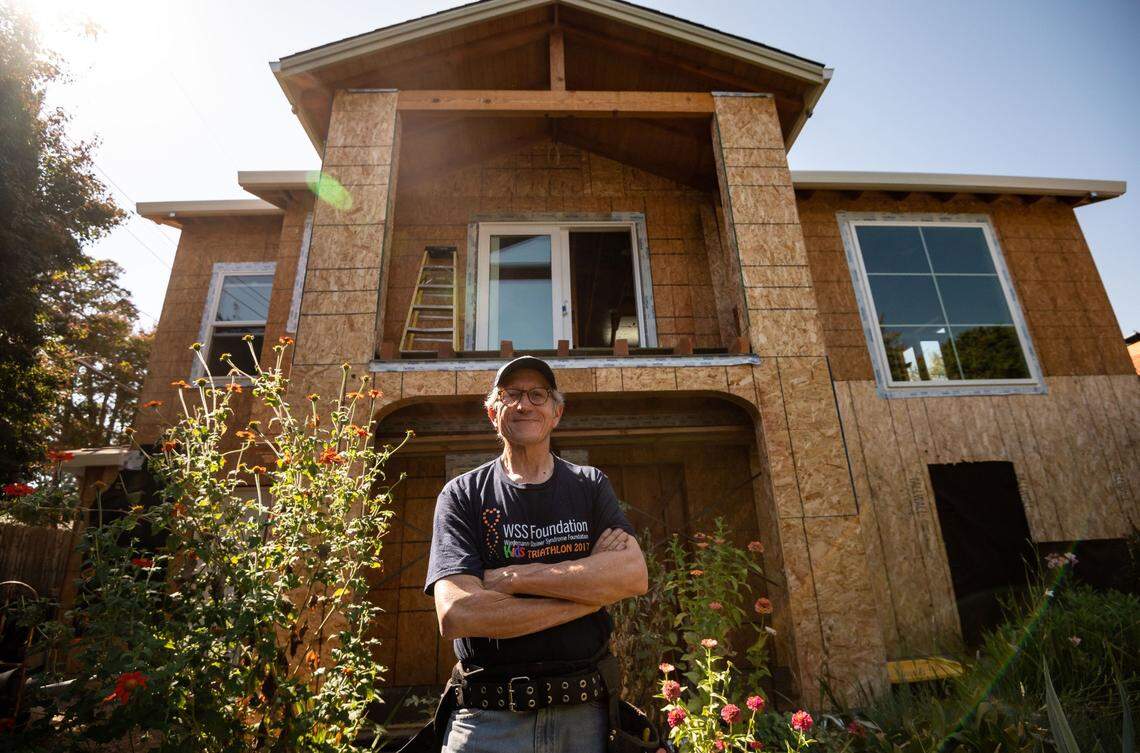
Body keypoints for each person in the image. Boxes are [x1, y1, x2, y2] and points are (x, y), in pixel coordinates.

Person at [423, 355, 649, 753]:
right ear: (492, 413)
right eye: (511, 395)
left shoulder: (589, 485)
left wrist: (513, 578)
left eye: (538, 395)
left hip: (584, 717)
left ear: (557, 412)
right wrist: (592, 592)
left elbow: (632, 575)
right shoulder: (461, 496)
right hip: (487, 720)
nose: (524, 404)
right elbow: (458, 614)